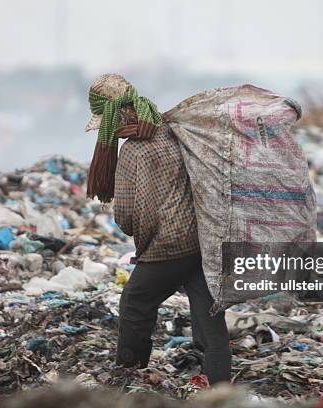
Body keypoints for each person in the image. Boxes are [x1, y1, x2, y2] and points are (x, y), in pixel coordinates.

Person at [84, 74, 232, 385]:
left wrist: (145, 244)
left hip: (168, 245)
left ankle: (130, 373)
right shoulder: (174, 131)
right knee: (208, 311)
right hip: (202, 238)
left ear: (117, 118)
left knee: (135, 303)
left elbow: (128, 213)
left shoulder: (134, 152)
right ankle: (219, 385)